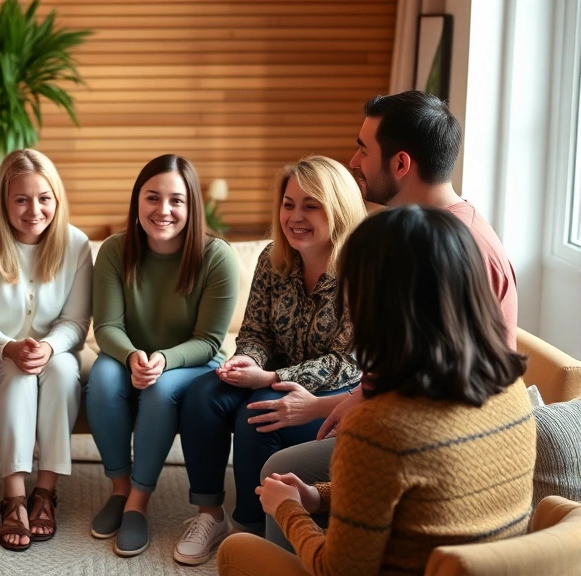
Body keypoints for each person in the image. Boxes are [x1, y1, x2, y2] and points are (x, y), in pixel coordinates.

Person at [260, 91, 521, 550]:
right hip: (421, 414)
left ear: (401, 164)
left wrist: (350, 410)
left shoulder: (443, 250)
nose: (353, 160)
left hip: (437, 435)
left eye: (364, 148)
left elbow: (429, 386)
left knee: (279, 471)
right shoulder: (437, 230)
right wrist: (350, 398)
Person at [217, 205, 536, 576]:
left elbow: (336, 569)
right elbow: (419, 493)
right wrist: (315, 495)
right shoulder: (513, 389)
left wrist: (290, 508)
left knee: (237, 549)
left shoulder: (379, 427)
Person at [173, 156, 365, 565]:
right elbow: (256, 331)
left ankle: (250, 531)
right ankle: (210, 514)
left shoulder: (361, 271)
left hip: (334, 394)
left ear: (339, 209)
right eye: (289, 203)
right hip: (269, 374)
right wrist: (246, 361)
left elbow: (348, 362)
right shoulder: (271, 259)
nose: (295, 216)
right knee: (203, 393)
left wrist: (271, 375)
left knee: (256, 417)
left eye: (310, 205)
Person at [86, 154, 240, 557]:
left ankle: (138, 501)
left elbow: (208, 340)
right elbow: (106, 328)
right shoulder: (114, 250)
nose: (163, 210)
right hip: (129, 355)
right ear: (137, 201)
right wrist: (134, 355)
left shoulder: (217, 257)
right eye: (152, 197)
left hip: (190, 362)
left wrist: (163, 361)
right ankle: (119, 490)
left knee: (160, 389)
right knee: (101, 380)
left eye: (176, 200)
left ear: (192, 206)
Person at [0, 149, 92, 551]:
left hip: (57, 354)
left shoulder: (76, 245)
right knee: (17, 372)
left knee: (64, 371)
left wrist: (46, 347)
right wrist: (9, 347)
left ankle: (44, 492)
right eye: (21, 199)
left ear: (57, 199)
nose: (34, 210)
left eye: (44, 198)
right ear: (4, 202)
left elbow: (77, 323)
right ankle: (13, 496)